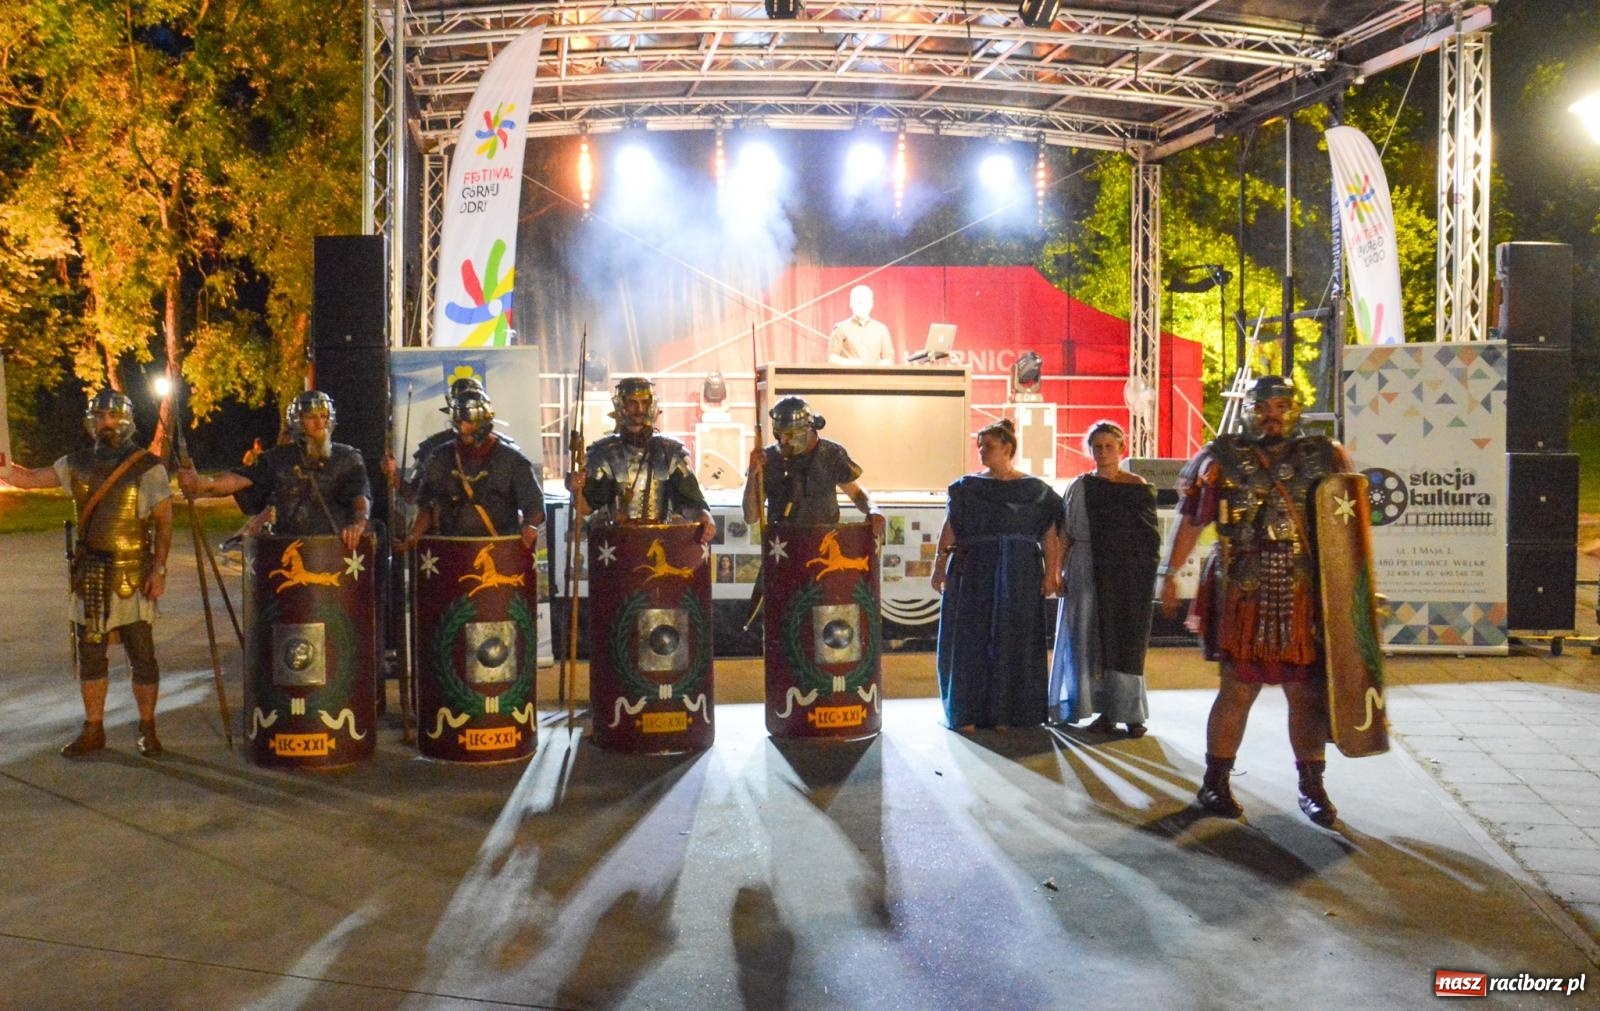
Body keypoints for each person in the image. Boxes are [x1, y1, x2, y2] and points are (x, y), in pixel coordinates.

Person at [1157, 375, 1353, 826]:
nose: (1272, 415)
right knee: (1238, 688)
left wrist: (1351, 591)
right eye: (1264, 406)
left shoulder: (1326, 456)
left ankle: (1312, 786)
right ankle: (1215, 782)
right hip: (1242, 587)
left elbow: (1348, 524)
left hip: (1301, 587)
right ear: (1248, 409)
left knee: (1304, 692)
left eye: (1282, 406)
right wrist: (1168, 574)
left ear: (1296, 410)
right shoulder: (1221, 457)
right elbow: (1192, 520)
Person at [1, 390, 173, 757]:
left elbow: (163, 521)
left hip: (132, 576)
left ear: (125, 422)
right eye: (99, 417)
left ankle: (148, 729)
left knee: (142, 656)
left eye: (112, 417)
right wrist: (3, 461)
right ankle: (93, 730)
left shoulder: (147, 467)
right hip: (91, 573)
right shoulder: (76, 464)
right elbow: (28, 479)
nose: (105, 424)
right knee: (91, 656)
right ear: (91, 422)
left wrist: (159, 569)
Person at [931, 419, 1063, 730]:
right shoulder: (967, 488)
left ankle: (1009, 713)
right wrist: (939, 565)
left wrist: (1051, 572)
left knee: (1014, 638)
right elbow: (950, 527)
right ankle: (967, 713)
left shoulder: (1036, 491)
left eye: (987, 446)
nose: (981, 452)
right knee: (971, 639)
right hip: (974, 571)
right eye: (979, 447)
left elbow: (1049, 535)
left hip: (1020, 572)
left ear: (1007, 448)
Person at [1049, 420, 1160, 737]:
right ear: (1090, 450)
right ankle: (1103, 711)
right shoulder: (1080, 486)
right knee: (1089, 640)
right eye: (1097, 447)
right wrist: (1058, 571)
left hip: (1125, 574)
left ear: (1121, 449)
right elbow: (1065, 533)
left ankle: (1131, 713)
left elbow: (1149, 538)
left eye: (1109, 446)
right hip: (1085, 568)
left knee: (1125, 641)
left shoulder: (1135, 487)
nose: (1103, 452)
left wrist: (1144, 575)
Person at [178, 390, 371, 552]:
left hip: (335, 553)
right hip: (287, 550)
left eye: (323, 416)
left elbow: (360, 498)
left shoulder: (347, 458)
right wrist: (202, 483)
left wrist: (358, 525)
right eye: (311, 417)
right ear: (299, 421)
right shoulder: (278, 458)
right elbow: (238, 479)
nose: (320, 423)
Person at [397, 385, 543, 551]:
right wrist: (413, 535)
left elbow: (534, 506)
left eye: (469, 422)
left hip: (500, 551)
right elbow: (427, 507)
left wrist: (530, 526)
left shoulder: (512, 461)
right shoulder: (440, 457)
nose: (463, 428)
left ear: (483, 421)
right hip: (451, 552)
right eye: (459, 422)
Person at [571, 377, 715, 544]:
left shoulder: (671, 452)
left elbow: (691, 503)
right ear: (621, 405)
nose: (639, 409)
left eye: (644, 402)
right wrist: (576, 489)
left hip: (660, 542)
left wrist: (705, 516)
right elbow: (585, 508)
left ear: (652, 404)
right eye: (632, 402)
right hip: (618, 546)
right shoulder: (604, 453)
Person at [742, 396, 885, 539]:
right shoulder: (770, 459)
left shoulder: (831, 455)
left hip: (823, 543)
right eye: (779, 434)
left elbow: (857, 494)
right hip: (783, 548)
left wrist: (873, 509)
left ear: (808, 429)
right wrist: (752, 475)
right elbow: (751, 517)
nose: (783, 440)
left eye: (789, 435)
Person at [384, 375, 520, 504]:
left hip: (498, 527)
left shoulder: (505, 449)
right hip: (448, 526)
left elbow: (528, 502)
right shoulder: (435, 449)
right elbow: (414, 496)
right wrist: (394, 475)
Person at [827, 284, 895, 366]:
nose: (862, 305)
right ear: (851, 303)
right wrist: (852, 364)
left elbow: (889, 359)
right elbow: (832, 358)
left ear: (871, 304)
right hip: (849, 377)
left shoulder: (882, 329)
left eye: (866, 302)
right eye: (859, 302)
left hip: (875, 377)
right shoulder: (840, 328)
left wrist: (877, 367)